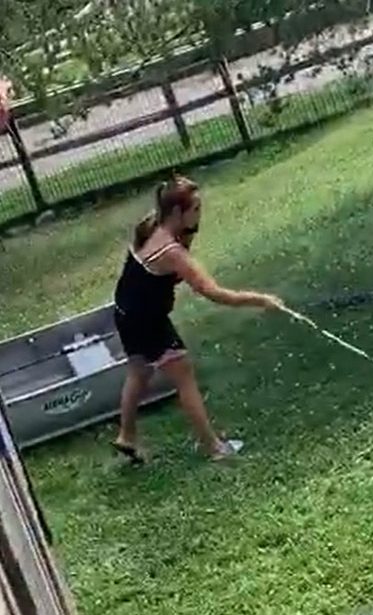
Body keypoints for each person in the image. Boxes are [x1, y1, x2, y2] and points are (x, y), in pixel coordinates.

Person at [112, 174, 285, 463]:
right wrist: (261, 300)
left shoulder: (151, 227)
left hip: (126, 314)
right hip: (146, 321)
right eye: (196, 209)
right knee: (184, 375)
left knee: (139, 372)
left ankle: (126, 436)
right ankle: (215, 448)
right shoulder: (172, 252)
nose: (200, 214)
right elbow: (213, 292)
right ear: (178, 213)